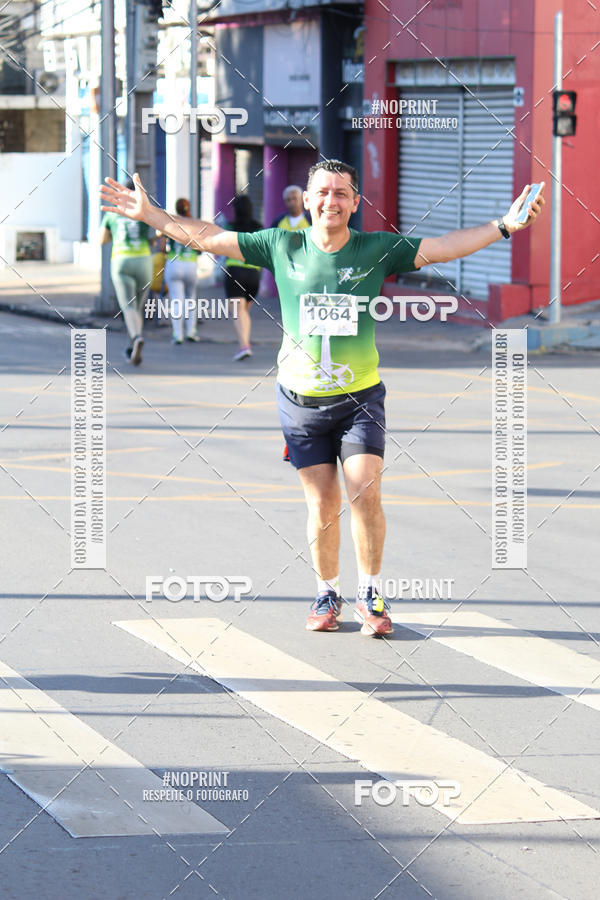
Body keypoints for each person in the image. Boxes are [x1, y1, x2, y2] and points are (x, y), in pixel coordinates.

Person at [100, 161, 545, 637]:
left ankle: (370, 592)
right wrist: (151, 215)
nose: (331, 201)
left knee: (365, 492)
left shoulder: (377, 248)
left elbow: (441, 248)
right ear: (307, 201)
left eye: (341, 193)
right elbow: (209, 238)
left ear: (355, 202)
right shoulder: (281, 244)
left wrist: (504, 226)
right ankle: (327, 591)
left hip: (359, 398)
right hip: (300, 401)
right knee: (322, 503)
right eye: (322, 192)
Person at [100, 179, 153, 365]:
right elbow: (157, 235)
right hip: (144, 261)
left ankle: (136, 337)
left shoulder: (113, 214)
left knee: (128, 307)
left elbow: (102, 240)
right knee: (138, 307)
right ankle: (132, 345)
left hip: (121, 261)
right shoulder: (145, 212)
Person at [223, 195, 262, 361]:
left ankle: (244, 346)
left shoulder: (230, 227)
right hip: (254, 274)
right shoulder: (259, 227)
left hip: (235, 271)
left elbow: (221, 246)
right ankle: (244, 344)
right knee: (244, 312)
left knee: (238, 312)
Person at [163, 197, 200, 344]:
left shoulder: (171, 223)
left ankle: (178, 335)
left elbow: (161, 245)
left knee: (177, 300)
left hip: (174, 264)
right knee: (191, 299)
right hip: (190, 264)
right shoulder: (195, 224)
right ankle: (191, 332)